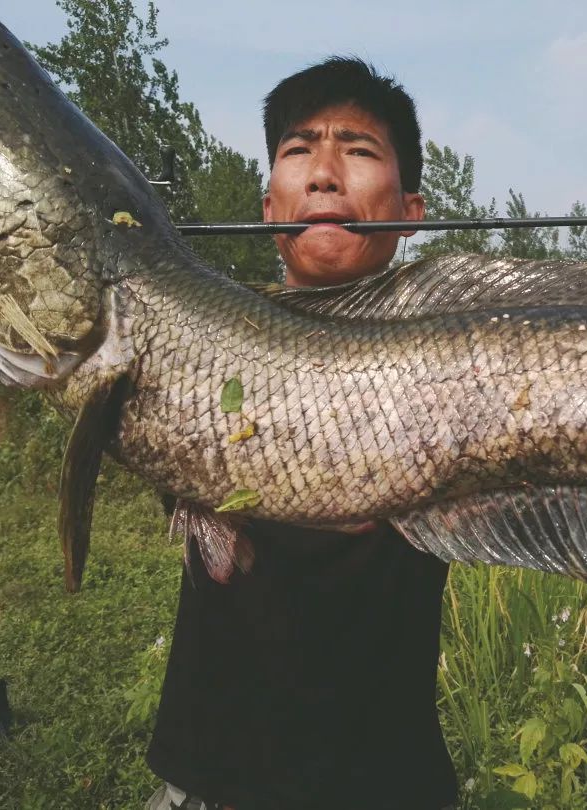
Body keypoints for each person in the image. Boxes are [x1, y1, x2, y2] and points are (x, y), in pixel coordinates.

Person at [145, 58, 458, 810]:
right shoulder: (197, 341)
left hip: (391, 781)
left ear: (411, 209)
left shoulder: (455, 359)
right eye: (297, 150)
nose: (323, 172)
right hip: (212, 773)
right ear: (267, 205)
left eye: (358, 149)